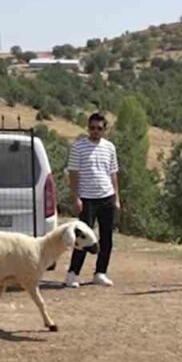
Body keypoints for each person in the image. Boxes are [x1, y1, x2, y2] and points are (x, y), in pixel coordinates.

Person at [65, 112, 119, 287]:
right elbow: (73, 173)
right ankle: (73, 274)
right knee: (83, 238)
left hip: (106, 197)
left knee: (107, 238)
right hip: (87, 199)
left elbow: (113, 173)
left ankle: (100, 272)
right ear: (88, 128)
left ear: (104, 130)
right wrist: (76, 197)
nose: (95, 131)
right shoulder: (78, 147)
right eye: (92, 128)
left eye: (99, 128)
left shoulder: (109, 147)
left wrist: (116, 198)